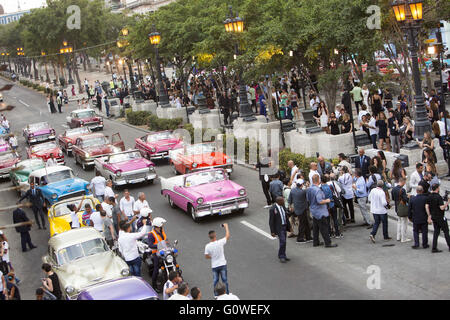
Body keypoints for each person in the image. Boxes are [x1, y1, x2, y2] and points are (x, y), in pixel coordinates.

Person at [307, 174, 337, 248]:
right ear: (319, 180)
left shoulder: (309, 189)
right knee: (324, 228)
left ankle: (316, 242)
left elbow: (308, 200)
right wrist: (327, 200)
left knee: (316, 228)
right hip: (320, 211)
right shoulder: (318, 190)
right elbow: (319, 201)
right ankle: (328, 243)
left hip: (313, 210)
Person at [205, 223, 230, 295]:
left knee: (215, 281)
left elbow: (206, 256)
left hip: (214, 266)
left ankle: (216, 295)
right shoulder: (220, 242)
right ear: (215, 235)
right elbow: (227, 236)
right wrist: (226, 226)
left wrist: (212, 257)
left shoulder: (207, 246)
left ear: (209, 237)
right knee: (224, 280)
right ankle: (227, 294)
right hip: (222, 264)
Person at [426, 183, 450, 253]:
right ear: (437, 188)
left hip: (434, 217)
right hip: (440, 217)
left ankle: (434, 247)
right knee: (446, 231)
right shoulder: (438, 197)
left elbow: (427, 206)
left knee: (436, 232)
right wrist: (447, 203)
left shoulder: (429, 196)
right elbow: (441, 207)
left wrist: (429, 215)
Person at [288, 179, 312, 243]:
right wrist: (307, 186)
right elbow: (308, 191)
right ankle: (300, 238)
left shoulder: (293, 190)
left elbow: (289, 199)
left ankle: (308, 236)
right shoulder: (303, 192)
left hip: (297, 209)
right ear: (301, 185)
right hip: (303, 210)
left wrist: (290, 206)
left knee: (306, 223)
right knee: (302, 224)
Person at [147, 217, 167, 291]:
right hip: (156, 253)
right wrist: (158, 246)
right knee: (156, 269)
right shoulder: (151, 234)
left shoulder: (162, 231)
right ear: (159, 225)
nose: (163, 225)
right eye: (162, 224)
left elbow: (165, 240)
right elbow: (150, 245)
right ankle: (154, 285)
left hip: (165, 251)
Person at [269, 196, 291, 262]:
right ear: (278, 202)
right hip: (279, 228)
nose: (284, 202)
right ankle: (281, 256)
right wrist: (272, 231)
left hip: (284, 226)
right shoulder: (273, 209)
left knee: (284, 242)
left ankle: (283, 255)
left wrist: (289, 227)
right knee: (283, 241)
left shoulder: (283, 206)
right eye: (282, 201)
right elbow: (271, 221)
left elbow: (286, 217)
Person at [391, 177, 411, 243]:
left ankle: (398, 236)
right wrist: (408, 197)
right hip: (402, 208)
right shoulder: (402, 190)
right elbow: (405, 199)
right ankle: (403, 238)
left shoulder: (393, 189)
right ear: (402, 182)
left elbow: (393, 198)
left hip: (397, 207)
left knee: (399, 222)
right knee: (404, 223)